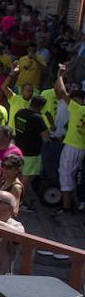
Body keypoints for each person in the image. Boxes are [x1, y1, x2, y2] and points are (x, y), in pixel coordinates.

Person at [53, 63, 85, 214]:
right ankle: (74, 202)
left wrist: (60, 75)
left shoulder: (79, 109)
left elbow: (63, 93)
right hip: (81, 147)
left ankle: (66, 207)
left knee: (65, 173)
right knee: (73, 175)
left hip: (73, 146)